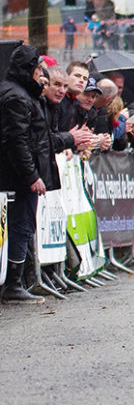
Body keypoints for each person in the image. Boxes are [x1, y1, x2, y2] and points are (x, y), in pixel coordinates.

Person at [0, 47, 53, 304]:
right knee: (21, 226)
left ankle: (15, 282)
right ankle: (13, 283)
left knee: (21, 225)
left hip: (16, 175)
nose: (41, 74)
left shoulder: (21, 94)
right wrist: (32, 176)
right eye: (38, 69)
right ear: (28, 69)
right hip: (16, 178)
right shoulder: (17, 97)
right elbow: (16, 140)